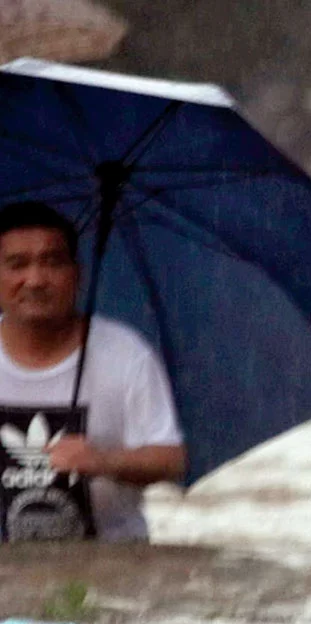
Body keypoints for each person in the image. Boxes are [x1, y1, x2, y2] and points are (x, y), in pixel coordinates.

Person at [0, 201, 184, 542]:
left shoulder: (125, 354)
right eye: (17, 264)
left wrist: (103, 460)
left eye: (52, 262)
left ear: (77, 275)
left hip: (110, 562)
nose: (36, 279)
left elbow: (170, 458)